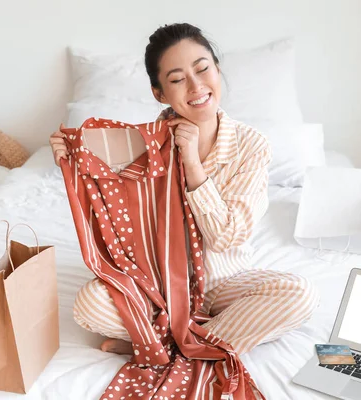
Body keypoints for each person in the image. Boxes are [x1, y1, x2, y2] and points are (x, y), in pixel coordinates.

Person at [50, 23, 319, 356]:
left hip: (224, 284)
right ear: (159, 93)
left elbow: (226, 237)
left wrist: (192, 164)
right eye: (177, 79)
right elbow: (104, 204)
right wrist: (70, 158)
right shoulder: (140, 144)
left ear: (217, 70)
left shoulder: (251, 145)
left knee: (299, 294)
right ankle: (198, 339)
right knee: (89, 304)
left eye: (203, 69)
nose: (195, 86)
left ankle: (160, 343)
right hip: (157, 287)